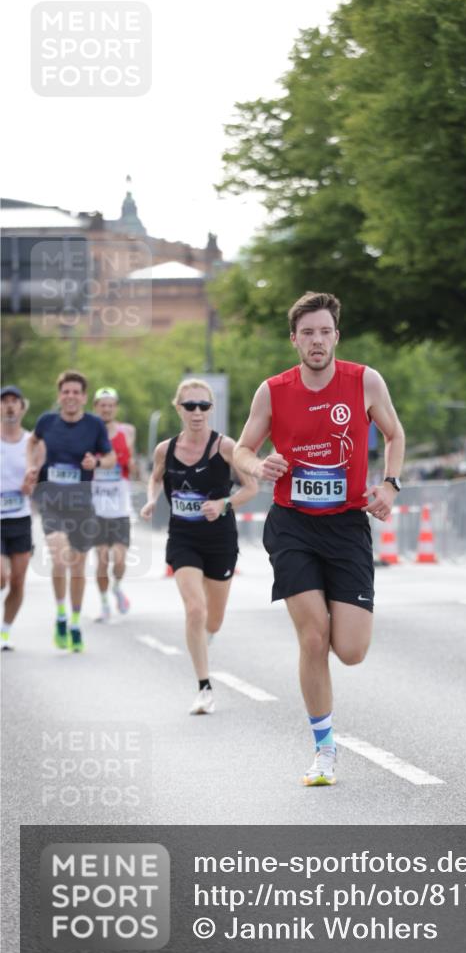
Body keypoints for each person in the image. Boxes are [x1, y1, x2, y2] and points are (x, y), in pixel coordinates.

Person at [233, 291, 405, 786]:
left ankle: (340, 631)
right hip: (293, 525)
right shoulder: (273, 391)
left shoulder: (364, 381)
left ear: (336, 336)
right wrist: (257, 464)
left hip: (347, 524)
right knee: (313, 637)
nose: (316, 340)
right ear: (294, 340)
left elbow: (395, 435)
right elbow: (243, 449)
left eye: (324, 331)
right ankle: (324, 749)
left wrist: (390, 485)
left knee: (349, 650)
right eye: (307, 332)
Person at [140, 379, 257, 714]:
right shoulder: (166, 449)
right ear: (178, 408)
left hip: (220, 539)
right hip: (183, 539)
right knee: (195, 609)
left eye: (203, 406)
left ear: (211, 409)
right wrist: (150, 502)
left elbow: (251, 487)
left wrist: (225, 504)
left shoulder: (225, 447)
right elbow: (155, 477)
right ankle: (204, 687)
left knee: (213, 621)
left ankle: (208, 635)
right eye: (189, 405)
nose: (196, 412)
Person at [24, 371, 115, 653]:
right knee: (59, 559)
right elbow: (31, 442)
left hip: (82, 504)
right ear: (59, 395)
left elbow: (110, 458)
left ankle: (74, 622)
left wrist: (96, 463)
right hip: (52, 501)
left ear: (84, 397)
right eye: (66, 392)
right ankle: (61, 615)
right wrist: (31, 465)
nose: (71, 397)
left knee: (77, 567)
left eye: (76, 392)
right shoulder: (47, 421)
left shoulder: (95, 425)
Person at [92, 387, 136, 622]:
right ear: (95, 407)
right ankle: (104, 604)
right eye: (102, 404)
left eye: (110, 404)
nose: (106, 408)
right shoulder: (88, 433)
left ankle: (117, 588)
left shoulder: (127, 431)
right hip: (96, 510)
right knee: (101, 560)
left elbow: (132, 463)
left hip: (120, 508)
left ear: (115, 407)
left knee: (119, 560)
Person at [0, 386, 35, 651]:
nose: (10, 406)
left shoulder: (32, 442)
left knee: (18, 580)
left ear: (23, 408)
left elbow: (41, 475)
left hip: (21, 518)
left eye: (15, 402)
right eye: (5, 402)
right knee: (1, 576)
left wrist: (32, 484)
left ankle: (5, 631)